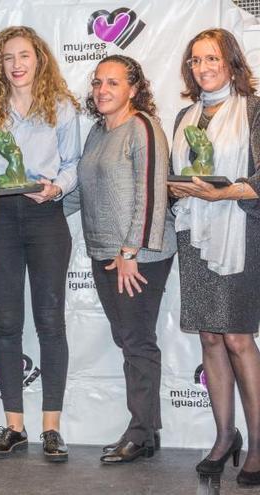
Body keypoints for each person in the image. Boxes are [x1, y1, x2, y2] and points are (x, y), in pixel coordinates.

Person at [0, 26, 79, 462]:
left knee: (50, 323)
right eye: (7, 58)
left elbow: (74, 164)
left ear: (39, 59)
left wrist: (56, 188)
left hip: (45, 216)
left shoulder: (61, 107)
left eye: (24, 56)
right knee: (7, 324)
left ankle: (51, 429)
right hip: (0, 217)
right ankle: (14, 427)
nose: (16, 65)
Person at [168, 28, 260, 486]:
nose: (202, 68)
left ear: (231, 63)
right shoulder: (185, 115)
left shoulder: (255, 112)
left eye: (211, 59)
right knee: (209, 337)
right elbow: (181, 177)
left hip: (240, 233)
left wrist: (223, 194)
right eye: (195, 60)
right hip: (195, 235)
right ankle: (225, 438)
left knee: (239, 338)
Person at [77, 55, 175, 464]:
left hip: (140, 255)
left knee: (136, 341)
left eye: (113, 83)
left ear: (133, 89)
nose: (102, 90)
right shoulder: (98, 132)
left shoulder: (143, 127)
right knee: (128, 340)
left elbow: (151, 193)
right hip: (104, 252)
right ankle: (147, 431)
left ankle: (139, 432)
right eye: (98, 83)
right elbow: (84, 189)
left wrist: (131, 251)